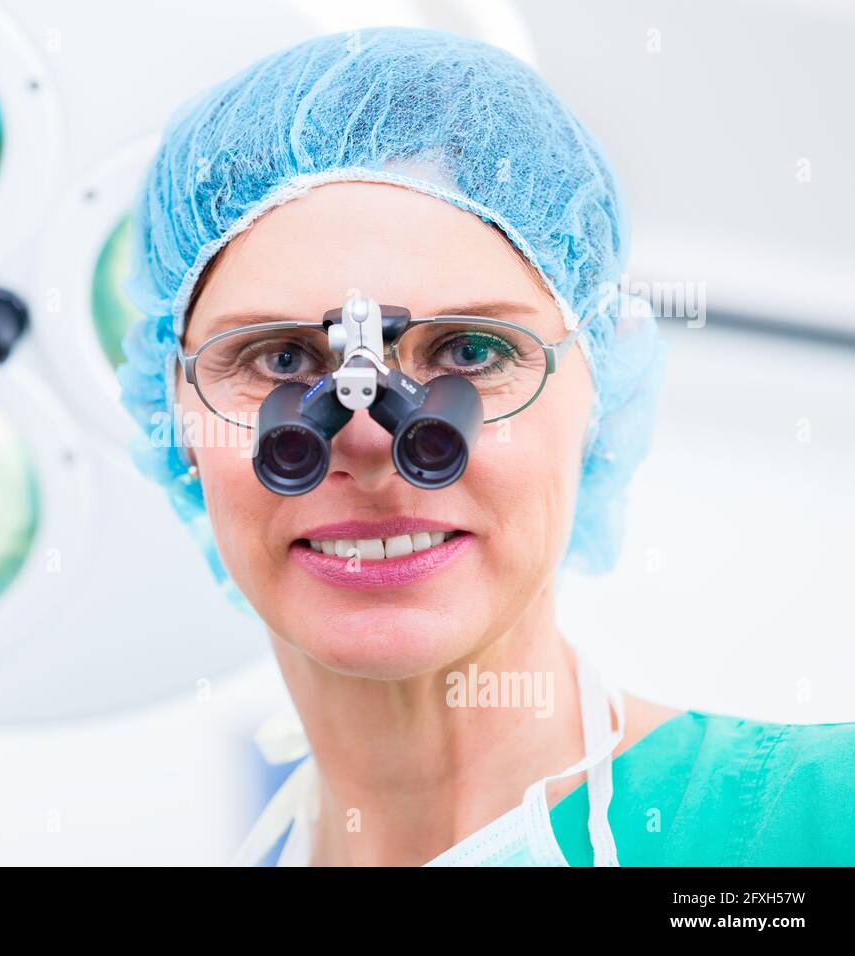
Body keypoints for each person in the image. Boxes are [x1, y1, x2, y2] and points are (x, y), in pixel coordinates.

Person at [116, 26, 855, 866]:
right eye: (281, 360)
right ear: (176, 421)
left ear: (600, 401)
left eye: (470, 352)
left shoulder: (818, 825)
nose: (367, 439)